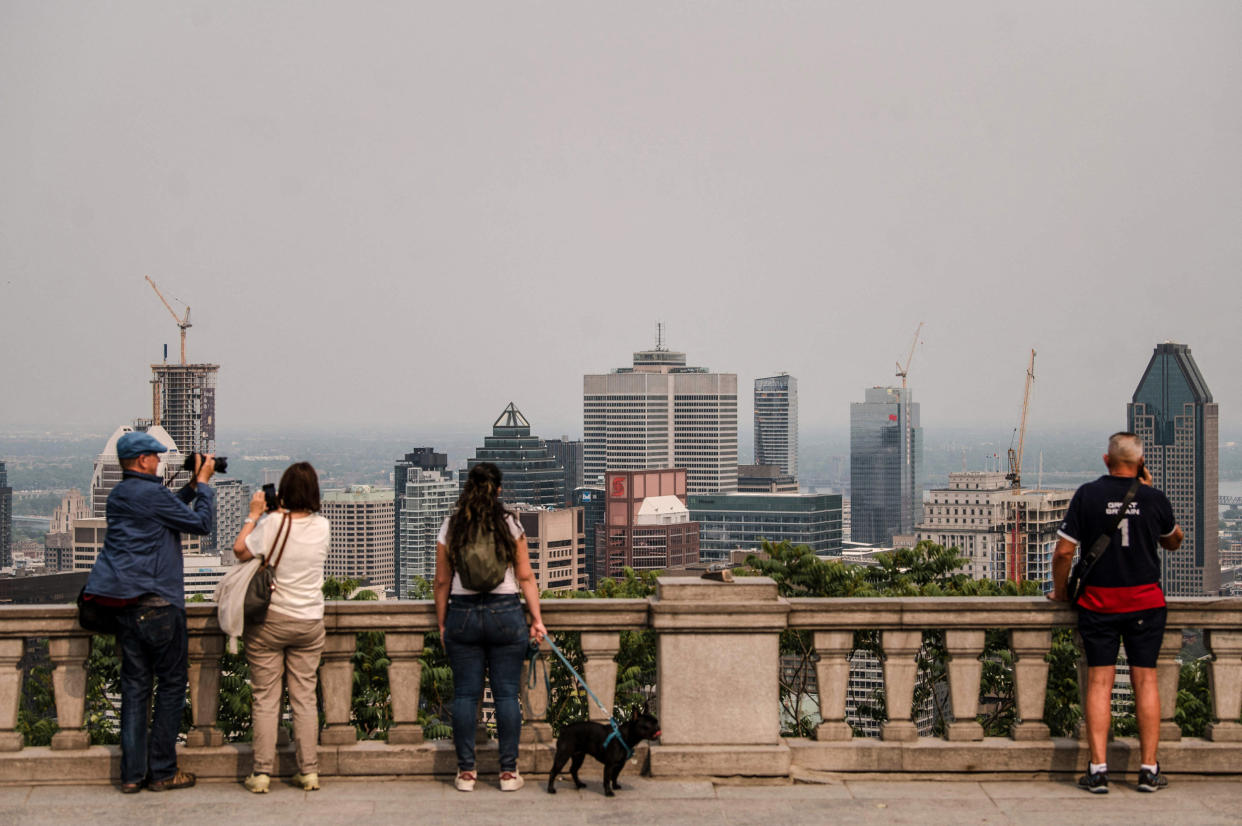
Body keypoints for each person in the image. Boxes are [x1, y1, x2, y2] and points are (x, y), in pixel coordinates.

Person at [1050, 431, 1183, 794]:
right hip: (1145, 602)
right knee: (1146, 682)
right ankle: (1149, 769)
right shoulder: (1154, 498)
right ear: (1140, 463)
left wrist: (1062, 593)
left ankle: (1097, 770)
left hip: (1098, 603)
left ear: (1106, 461)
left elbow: (1063, 553)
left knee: (1099, 683)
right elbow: (1174, 541)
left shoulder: (1087, 495)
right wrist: (1148, 490)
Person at [82, 431, 215, 793]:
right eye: (155, 458)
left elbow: (163, 508)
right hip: (159, 605)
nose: (159, 462)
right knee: (171, 686)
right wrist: (203, 485)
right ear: (142, 460)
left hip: (125, 607)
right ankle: (162, 770)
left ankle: (131, 775)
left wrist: (187, 487)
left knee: (135, 689)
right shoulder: (151, 494)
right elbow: (201, 524)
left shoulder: (119, 495)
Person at [433, 462, 547, 793]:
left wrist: (443, 623)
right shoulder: (509, 524)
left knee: (466, 695)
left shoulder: (452, 525)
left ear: (468, 487)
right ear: (498, 490)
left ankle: (467, 773)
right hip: (505, 612)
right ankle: (508, 772)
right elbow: (525, 576)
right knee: (507, 695)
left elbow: (441, 581)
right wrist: (536, 619)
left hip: (463, 614)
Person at [231, 462, 329, 794]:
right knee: (304, 698)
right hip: (309, 621)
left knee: (265, 698)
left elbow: (240, 551)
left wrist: (253, 514)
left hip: (271, 621)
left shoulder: (273, 523)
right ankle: (309, 771)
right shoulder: (323, 527)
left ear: (284, 492)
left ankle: (261, 773)